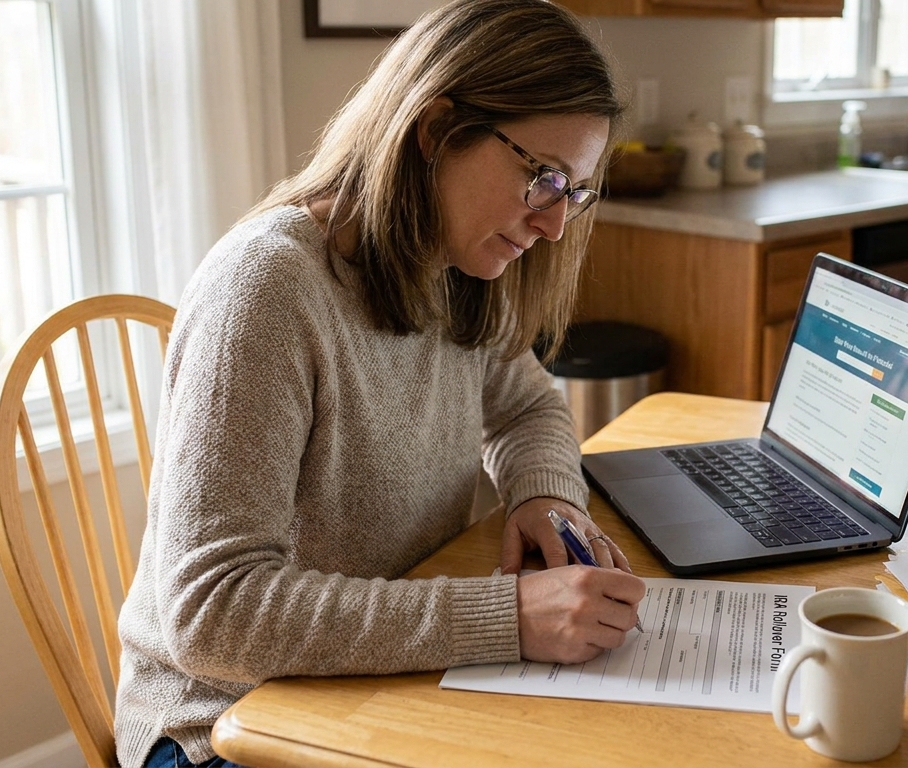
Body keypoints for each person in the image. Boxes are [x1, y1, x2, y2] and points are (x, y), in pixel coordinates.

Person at [115, 2, 646, 766]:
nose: (556, 225)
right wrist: (508, 617)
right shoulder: (266, 287)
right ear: (435, 131)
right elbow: (213, 614)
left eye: (576, 190)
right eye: (544, 178)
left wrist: (544, 494)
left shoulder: (458, 269)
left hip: (373, 677)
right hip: (225, 722)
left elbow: (527, 404)